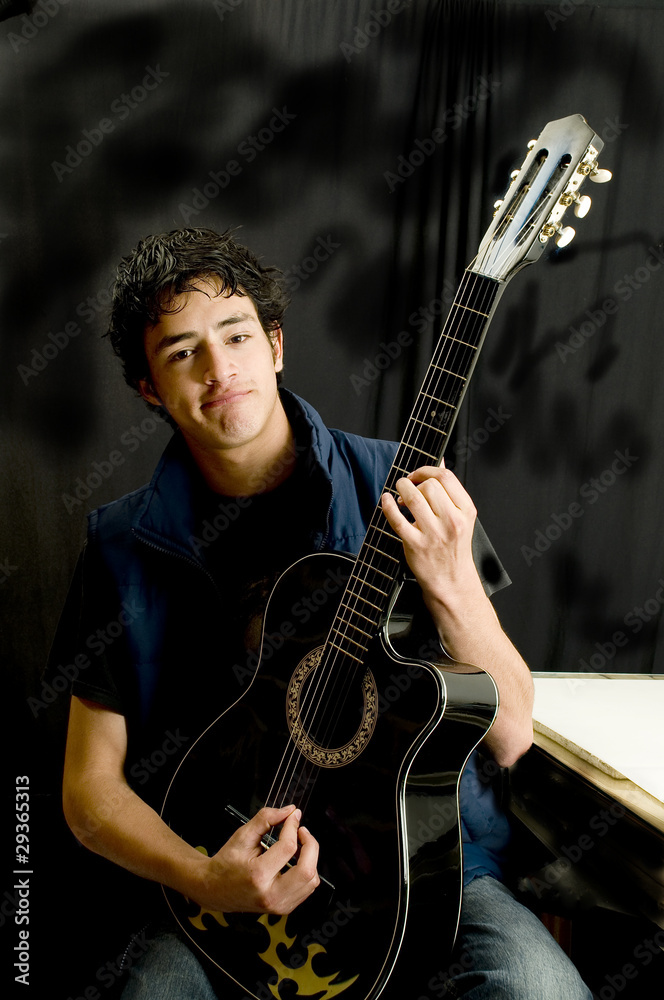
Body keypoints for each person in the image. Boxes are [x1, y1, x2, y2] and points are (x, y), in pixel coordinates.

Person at [58, 227, 591, 998]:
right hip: (219, 876)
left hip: (428, 869)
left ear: (274, 345)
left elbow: (510, 735)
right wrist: (205, 878)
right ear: (149, 388)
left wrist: (452, 580)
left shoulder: (403, 487)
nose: (219, 370)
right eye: (181, 353)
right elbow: (88, 791)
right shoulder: (118, 545)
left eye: (237, 336)